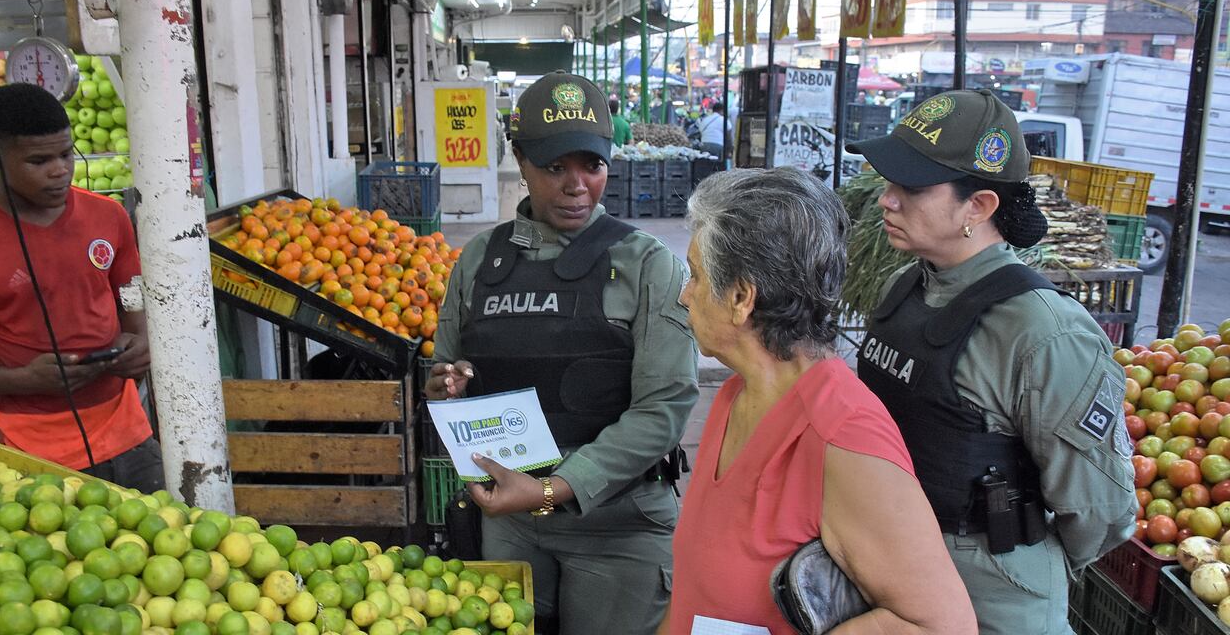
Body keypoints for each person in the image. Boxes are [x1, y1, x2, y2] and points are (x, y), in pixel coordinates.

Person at [845, 89, 1135, 633]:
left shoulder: (1043, 332)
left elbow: (1100, 510)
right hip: (894, 567)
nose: (887, 199)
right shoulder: (904, 286)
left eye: (910, 186)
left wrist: (1014, 561)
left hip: (990, 600)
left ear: (977, 207)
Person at [426, 72, 699, 635]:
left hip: (619, 528)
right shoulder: (480, 259)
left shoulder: (649, 264)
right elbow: (446, 367)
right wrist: (446, 384)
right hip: (509, 520)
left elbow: (664, 410)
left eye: (591, 166)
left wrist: (555, 488)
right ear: (520, 162)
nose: (577, 185)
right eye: (555, 168)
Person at [663, 167, 976, 635]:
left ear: (741, 297)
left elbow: (940, 626)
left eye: (697, 275)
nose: (685, 294)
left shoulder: (842, 434)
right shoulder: (735, 395)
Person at [0, 83, 161, 491]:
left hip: (129, 431)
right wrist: (26, 380)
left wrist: (139, 340)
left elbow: (130, 296)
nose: (59, 169)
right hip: (34, 445)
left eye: (65, 154)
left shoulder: (108, 216)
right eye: (39, 160)